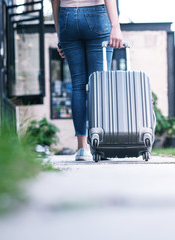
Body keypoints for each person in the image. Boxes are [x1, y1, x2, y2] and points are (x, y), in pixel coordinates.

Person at [51, 0, 123, 160]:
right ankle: (101, 145)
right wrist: (115, 26)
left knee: (78, 85)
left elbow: (54, 1)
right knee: (99, 85)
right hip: (96, 14)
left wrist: (60, 36)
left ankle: (82, 148)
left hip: (66, 18)